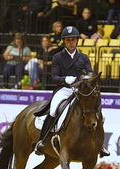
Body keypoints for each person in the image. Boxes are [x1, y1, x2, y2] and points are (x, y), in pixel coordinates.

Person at [34, 26, 110, 157]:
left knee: (96, 108)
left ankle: (100, 145)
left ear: (77, 41)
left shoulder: (83, 57)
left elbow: (90, 73)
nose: (70, 42)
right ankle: (43, 140)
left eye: (73, 40)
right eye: (68, 40)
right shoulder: (57, 57)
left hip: (81, 90)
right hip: (64, 89)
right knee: (53, 110)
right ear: (64, 41)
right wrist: (66, 79)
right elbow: (54, 77)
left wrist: (85, 79)